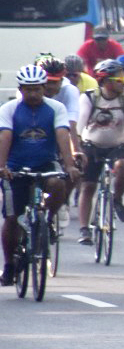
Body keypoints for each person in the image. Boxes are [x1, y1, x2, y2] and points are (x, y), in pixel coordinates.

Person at [0, 64, 78, 287]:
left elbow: (62, 135)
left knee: (58, 183)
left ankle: (47, 219)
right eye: (28, 89)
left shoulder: (56, 108)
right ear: (20, 89)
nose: (33, 94)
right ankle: (9, 265)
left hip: (45, 163)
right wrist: (2, 166)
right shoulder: (9, 109)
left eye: (37, 89)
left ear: (44, 88)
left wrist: (70, 165)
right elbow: (5, 137)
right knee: (12, 218)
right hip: (16, 166)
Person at [75, 59, 124, 243]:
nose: (123, 81)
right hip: (91, 145)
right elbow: (80, 123)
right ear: (105, 80)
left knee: (123, 166)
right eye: (118, 78)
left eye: (123, 76)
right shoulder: (90, 97)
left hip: (118, 146)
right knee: (88, 186)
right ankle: (84, 229)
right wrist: (77, 148)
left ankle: (117, 198)